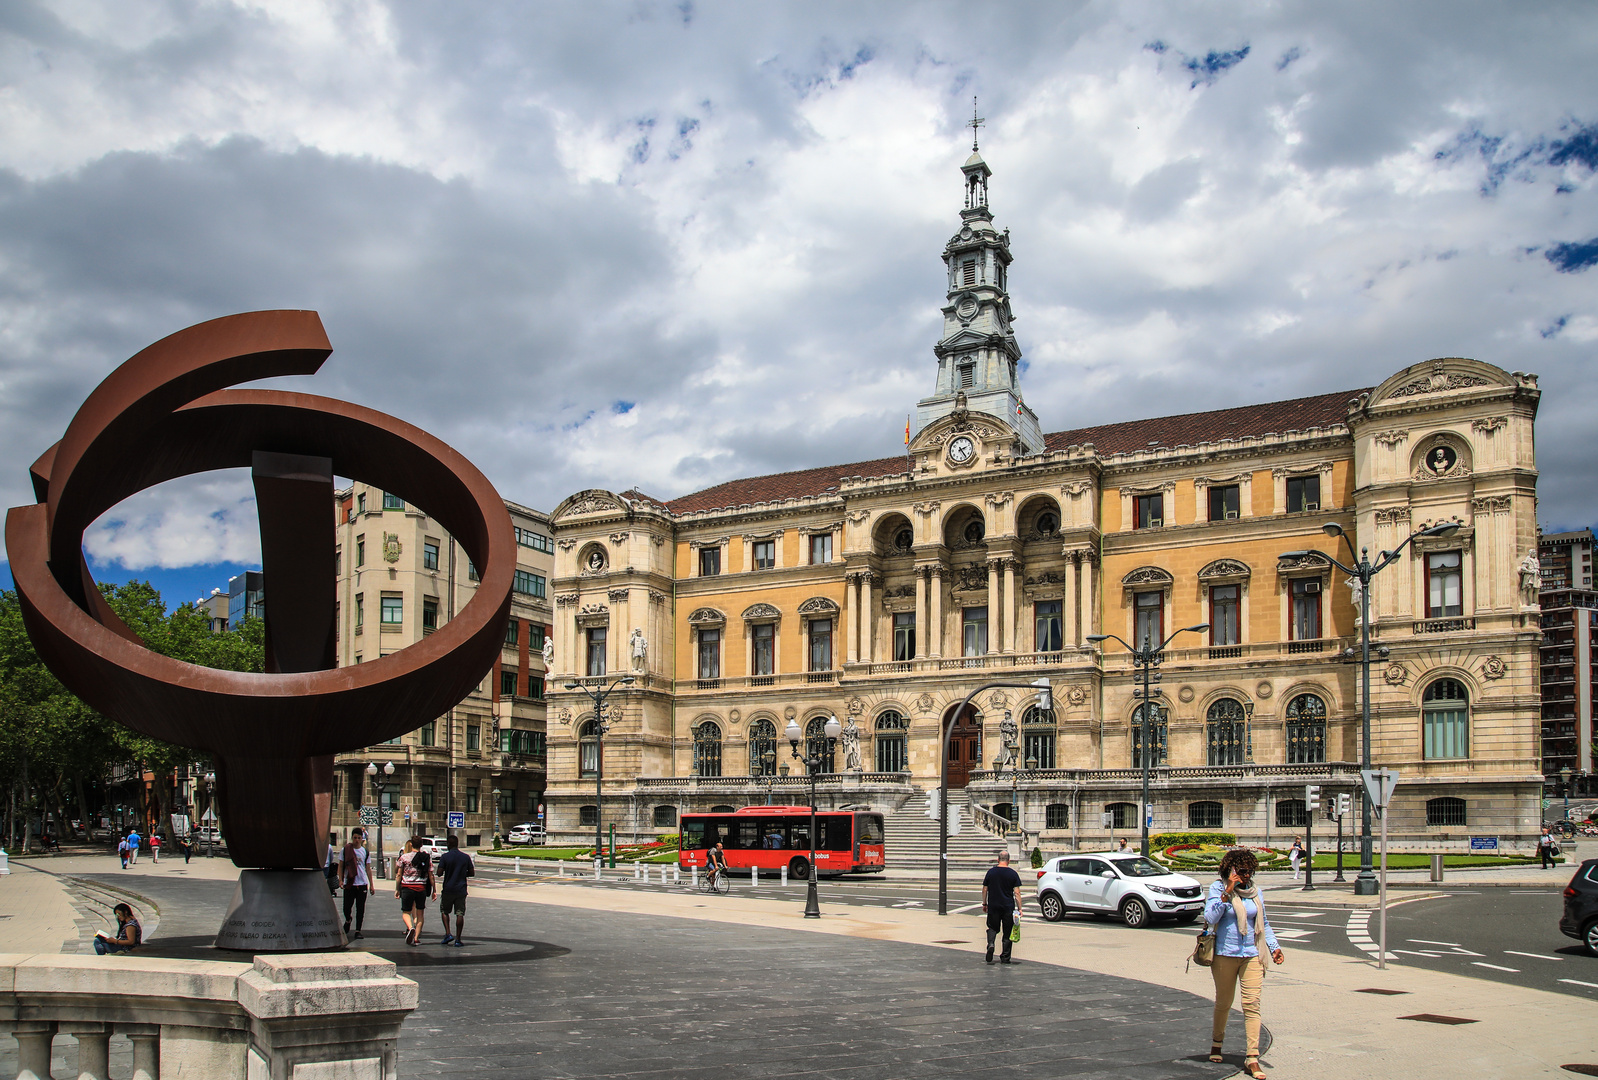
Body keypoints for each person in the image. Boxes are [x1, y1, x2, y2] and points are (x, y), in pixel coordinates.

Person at [1205, 848, 1284, 1079]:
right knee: (1224, 1002)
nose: (1246, 876)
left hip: (1251, 954)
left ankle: (1252, 1057)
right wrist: (1228, 891)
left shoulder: (1255, 892)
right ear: (1230, 869)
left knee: (1252, 1004)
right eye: (1241, 871)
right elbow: (1210, 918)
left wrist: (1274, 947)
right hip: (1224, 954)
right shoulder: (1218, 888)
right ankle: (1217, 1044)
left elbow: (1265, 923)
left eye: (1249, 871)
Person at [981, 849, 1023, 964]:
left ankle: (991, 943)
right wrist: (1020, 908)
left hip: (993, 905)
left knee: (992, 927)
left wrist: (984, 903)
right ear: (1009, 861)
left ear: (998, 860)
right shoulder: (1013, 874)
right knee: (1007, 931)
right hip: (1007, 906)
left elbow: (985, 889)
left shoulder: (991, 872)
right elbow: (1017, 893)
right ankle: (1005, 957)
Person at [436, 835, 475, 947]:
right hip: (461, 889)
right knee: (460, 913)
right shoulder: (465, 857)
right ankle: (458, 939)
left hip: (448, 888)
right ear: (457, 844)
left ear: (448, 844)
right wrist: (462, 874)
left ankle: (448, 933)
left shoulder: (445, 857)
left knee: (444, 911)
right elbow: (472, 873)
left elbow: (439, 872)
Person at [395, 838, 435, 945]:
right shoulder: (426, 858)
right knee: (420, 913)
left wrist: (397, 889)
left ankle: (410, 927)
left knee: (406, 912)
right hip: (421, 888)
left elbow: (399, 874)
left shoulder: (404, 857)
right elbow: (431, 875)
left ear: (411, 844)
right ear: (421, 845)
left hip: (407, 887)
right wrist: (434, 890)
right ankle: (416, 938)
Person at [341, 828, 371, 939]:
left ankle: (358, 930)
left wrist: (371, 884)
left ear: (362, 839)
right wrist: (340, 879)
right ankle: (348, 919)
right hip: (349, 883)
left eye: (359, 838)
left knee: (360, 908)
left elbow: (368, 868)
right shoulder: (346, 850)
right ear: (352, 838)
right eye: (355, 838)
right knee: (346, 907)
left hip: (362, 883)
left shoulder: (365, 852)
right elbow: (341, 865)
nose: (357, 840)